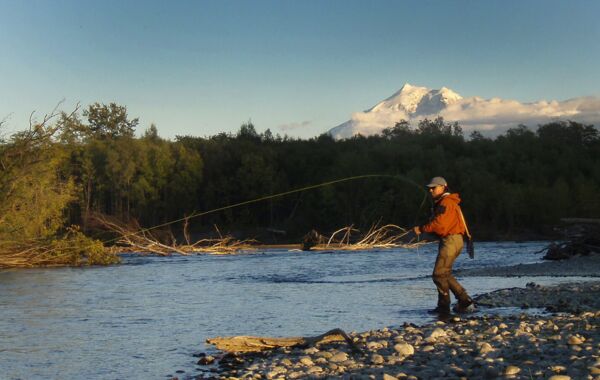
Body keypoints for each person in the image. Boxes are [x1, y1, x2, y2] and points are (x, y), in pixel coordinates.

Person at [413, 176, 473, 315]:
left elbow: (440, 225)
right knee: (444, 273)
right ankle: (464, 300)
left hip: (451, 241)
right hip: (455, 240)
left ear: (443, 187)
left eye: (434, 188)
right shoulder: (448, 202)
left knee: (438, 275)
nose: (431, 190)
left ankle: (444, 307)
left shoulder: (445, 203)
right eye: (430, 188)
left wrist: (422, 229)